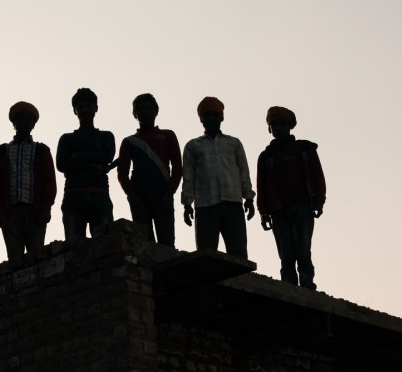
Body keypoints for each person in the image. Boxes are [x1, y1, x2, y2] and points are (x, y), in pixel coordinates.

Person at [256, 106, 326, 290]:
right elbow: (261, 187)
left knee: (303, 251)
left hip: (303, 207)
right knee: (286, 255)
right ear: (269, 128)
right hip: (278, 211)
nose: (278, 128)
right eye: (274, 124)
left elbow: (317, 175)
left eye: (282, 124)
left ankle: (307, 283)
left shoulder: (305, 149)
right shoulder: (266, 156)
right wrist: (263, 213)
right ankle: (288, 285)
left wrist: (320, 200)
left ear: (290, 126)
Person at [181, 97, 254, 258]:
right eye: (207, 114)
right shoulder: (193, 146)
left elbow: (244, 172)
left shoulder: (234, 143)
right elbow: (188, 177)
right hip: (205, 205)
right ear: (201, 119)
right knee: (206, 256)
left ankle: (239, 284)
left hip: (233, 203)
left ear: (222, 117)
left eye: (215, 114)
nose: (211, 118)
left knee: (239, 254)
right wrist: (187, 203)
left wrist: (248, 197)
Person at [0, 102, 56, 260]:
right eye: (20, 118)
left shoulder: (41, 150)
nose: (24, 122)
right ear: (14, 123)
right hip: (10, 213)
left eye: (28, 119)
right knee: (14, 258)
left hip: (35, 211)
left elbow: (49, 183)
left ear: (33, 124)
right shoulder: (2, 151)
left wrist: (46, 208)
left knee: (36, 257)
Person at [116, 93, 182, 245]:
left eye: (149, 108)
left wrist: (169, 193)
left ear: (156, 111)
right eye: (140, 109)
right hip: (139, 198)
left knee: (167, 246)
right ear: (135, 114)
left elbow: (178, 169)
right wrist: (132, 196)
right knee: (144, 245)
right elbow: (122, 174)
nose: (145, 112)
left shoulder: (168, 135)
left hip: (163, 196)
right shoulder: (129, 141)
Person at [55, 88, 116, 241]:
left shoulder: (106, 136)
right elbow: (61, 164)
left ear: (96, 108)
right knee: (74, 248)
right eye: (80, 106)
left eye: (88, 105)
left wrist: (77, 157)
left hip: (99, 194)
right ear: (74, 111)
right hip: (73, 195)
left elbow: (107, 156)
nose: (85, 110)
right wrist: (93, 164)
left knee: (105, 244)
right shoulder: (67, 139)